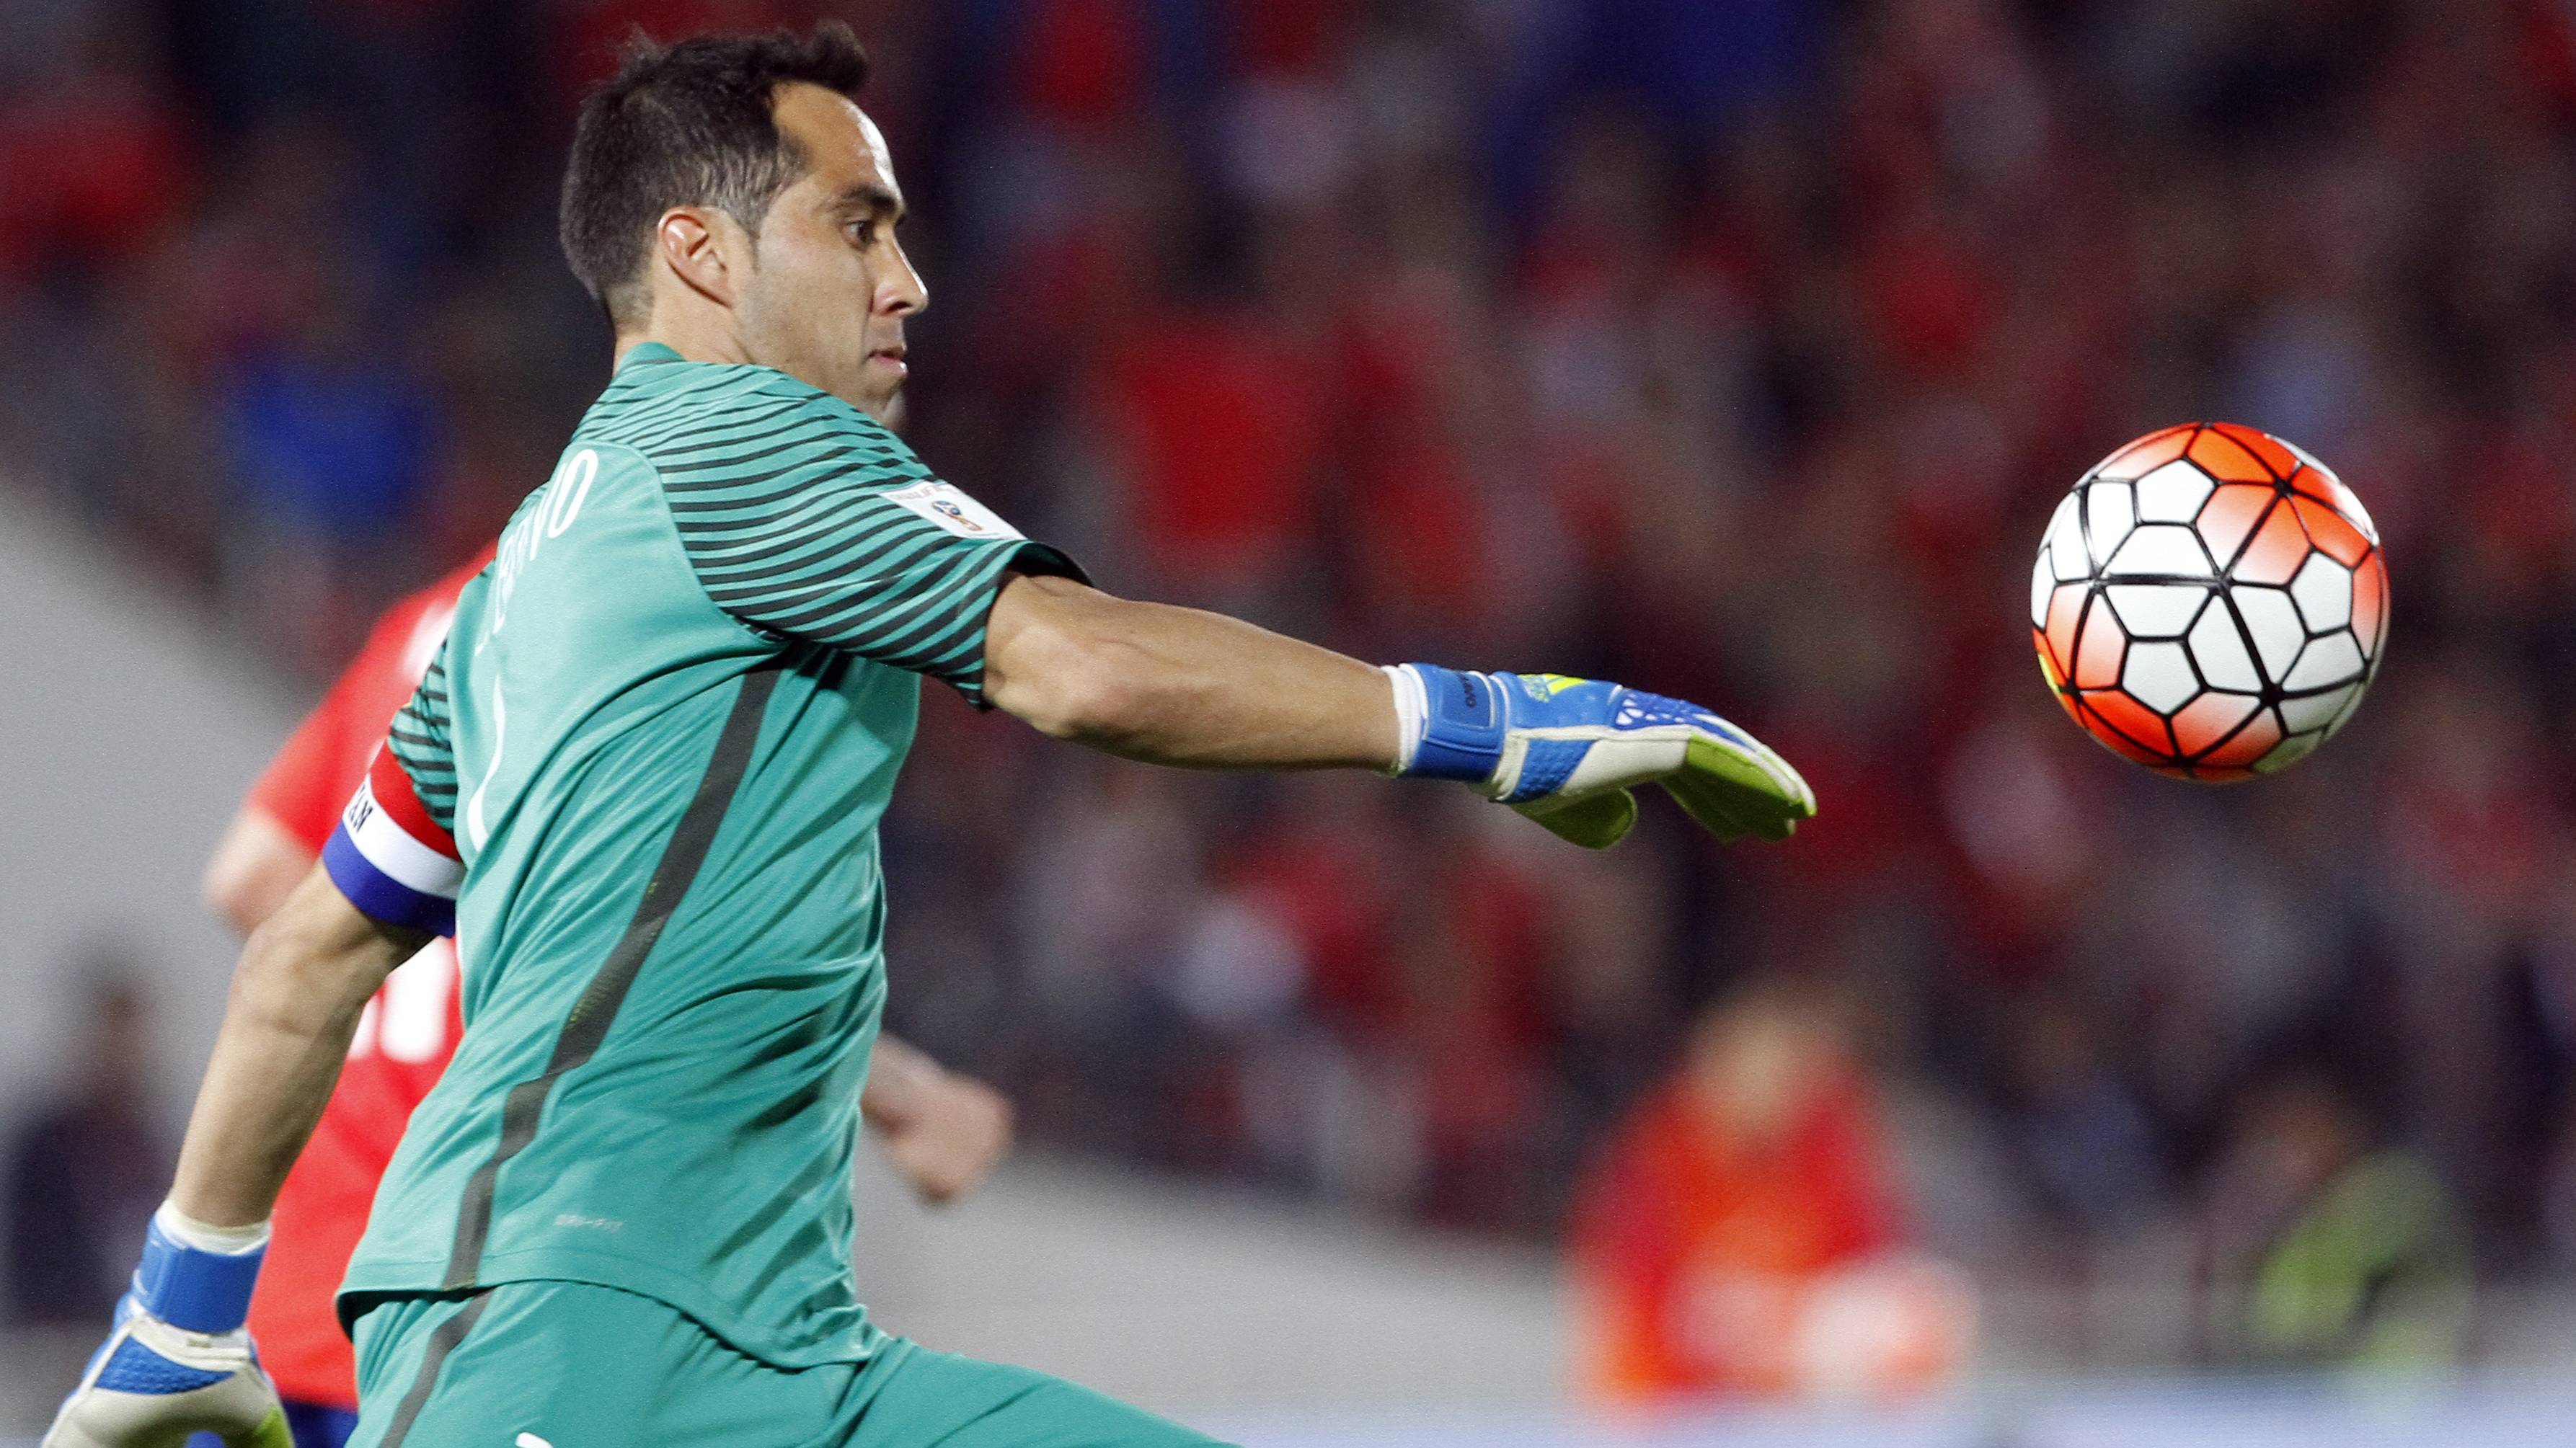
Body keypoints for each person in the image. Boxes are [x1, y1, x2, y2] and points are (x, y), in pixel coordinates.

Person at [45, 23, 1813, 1448]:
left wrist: (177, 1316)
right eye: (858, 225)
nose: (910, 284)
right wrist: (1486, 721)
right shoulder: (741, 442)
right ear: (700, 257)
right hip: (567, 1354)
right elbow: (1079, 667)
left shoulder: (508, 595)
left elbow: (309, 953)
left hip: (783, 1365)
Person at [193, 546, 1015, 1448]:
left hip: (294, 1285)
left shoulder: (429, 620)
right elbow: (654, 933)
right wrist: (902, 1091)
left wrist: (409, 945)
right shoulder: (659, 616)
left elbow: (249, 875)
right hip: (483, 1288)